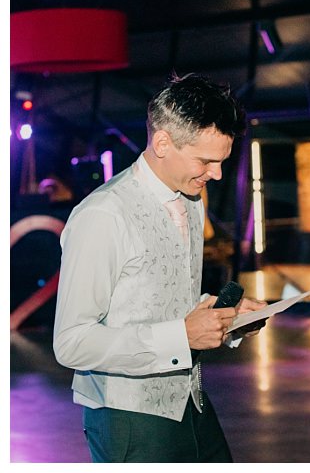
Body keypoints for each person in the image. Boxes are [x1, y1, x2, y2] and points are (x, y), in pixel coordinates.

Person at [54, 74, 267, 462]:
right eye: (206, 161)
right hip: (127, 416)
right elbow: (71, 342)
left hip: (191, 399)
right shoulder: (103, 215)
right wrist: (180, 337)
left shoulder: (190, 199)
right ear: (163, 142)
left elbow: (166, 297)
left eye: (222, 161)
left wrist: (225, 317)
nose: (216, 174)